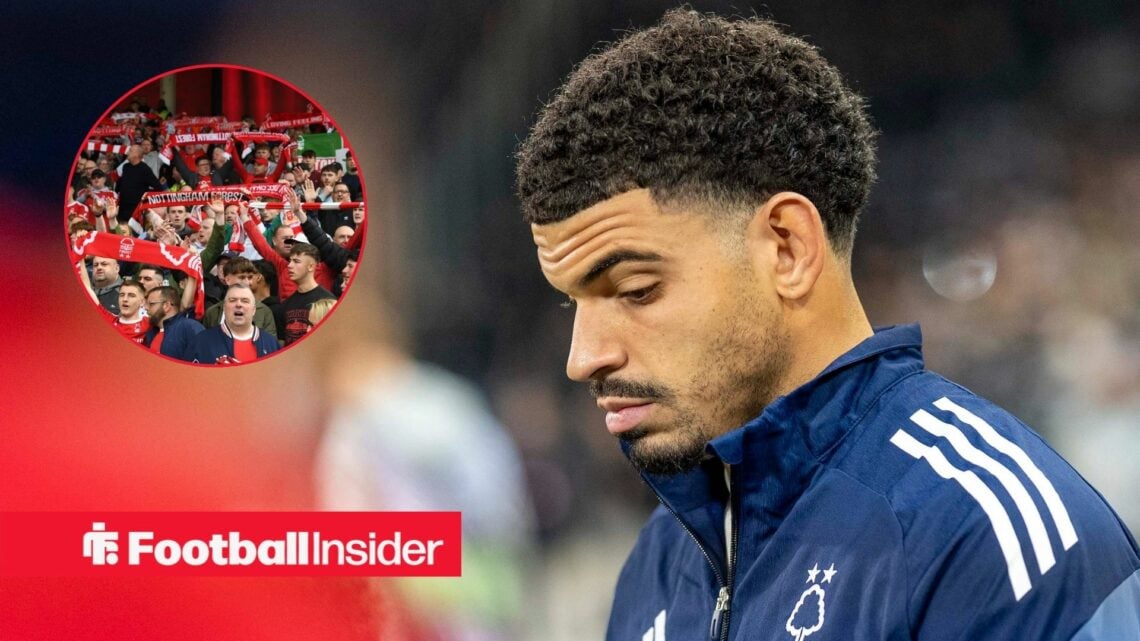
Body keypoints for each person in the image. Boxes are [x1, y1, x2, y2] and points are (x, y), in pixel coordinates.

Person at [515, 10, 1140, 641]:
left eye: (636, 290)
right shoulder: (660, 559)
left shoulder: (983, 537)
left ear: (787, 249)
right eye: (574, 304)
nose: (583, 358)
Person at [191, 282, 280, 365]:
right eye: (232, 300)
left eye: (245, 301)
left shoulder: (270, 344)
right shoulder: (202, 342)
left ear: (254, 310)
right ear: (224, 308)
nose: (238, 304)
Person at [275, 241, 335, 345]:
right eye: (290, 261)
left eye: (296, 261)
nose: (289, 265)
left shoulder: (327, 301)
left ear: (311, 266)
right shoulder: (285, 305)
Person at [142, 285, 204, 362]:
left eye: (151, 304)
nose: (146, 308)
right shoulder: (151, 332)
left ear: (166, 306)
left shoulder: (189, 327)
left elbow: (204, 357)